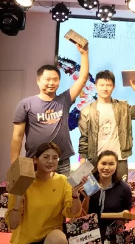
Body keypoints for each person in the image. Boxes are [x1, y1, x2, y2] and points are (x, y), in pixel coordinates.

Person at [6, 142, 87, 244]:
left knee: (60, 240)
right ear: (35, 159)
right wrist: (18, 198)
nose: (50, 161)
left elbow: (73, 212)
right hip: (27, 242)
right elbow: (12, 224)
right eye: (46, 157)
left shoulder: (62, 181)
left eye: (55, 158)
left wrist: (75, 194)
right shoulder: (24, 182)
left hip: (51, 238)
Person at [12, 44, 89, 175]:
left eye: (55, 80)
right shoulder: (26, 104)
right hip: (34, 161)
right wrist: (14, 166)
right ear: (38, 81)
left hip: (61, 161)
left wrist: (84, 53)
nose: (51, 83)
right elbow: (17, 137)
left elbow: (82, 79)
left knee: (62, 188)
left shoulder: (64, 99)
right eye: (47, 79)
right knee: (34, 189)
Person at [78, 70, 135, 181]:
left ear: (113, 87)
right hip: (96, 159)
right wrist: (82, 161)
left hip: (119, 158)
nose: (105, 88)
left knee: (120, 190)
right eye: (102, 85)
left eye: (108, 85)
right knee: (96, 191)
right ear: (95, 86)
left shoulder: (123, 107)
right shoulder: (86, 111)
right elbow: (84, 138)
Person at [79, 150, 133, 244]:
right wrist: (86, 198)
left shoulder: (123, 188)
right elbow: (81, 214)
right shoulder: (88, 184)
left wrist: (124, 215)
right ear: (97, 164)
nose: (107, 168)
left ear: (116, 166)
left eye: (111, 164)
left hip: (112, 228)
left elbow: (127, 211)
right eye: (103, 163)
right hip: (90, 226)